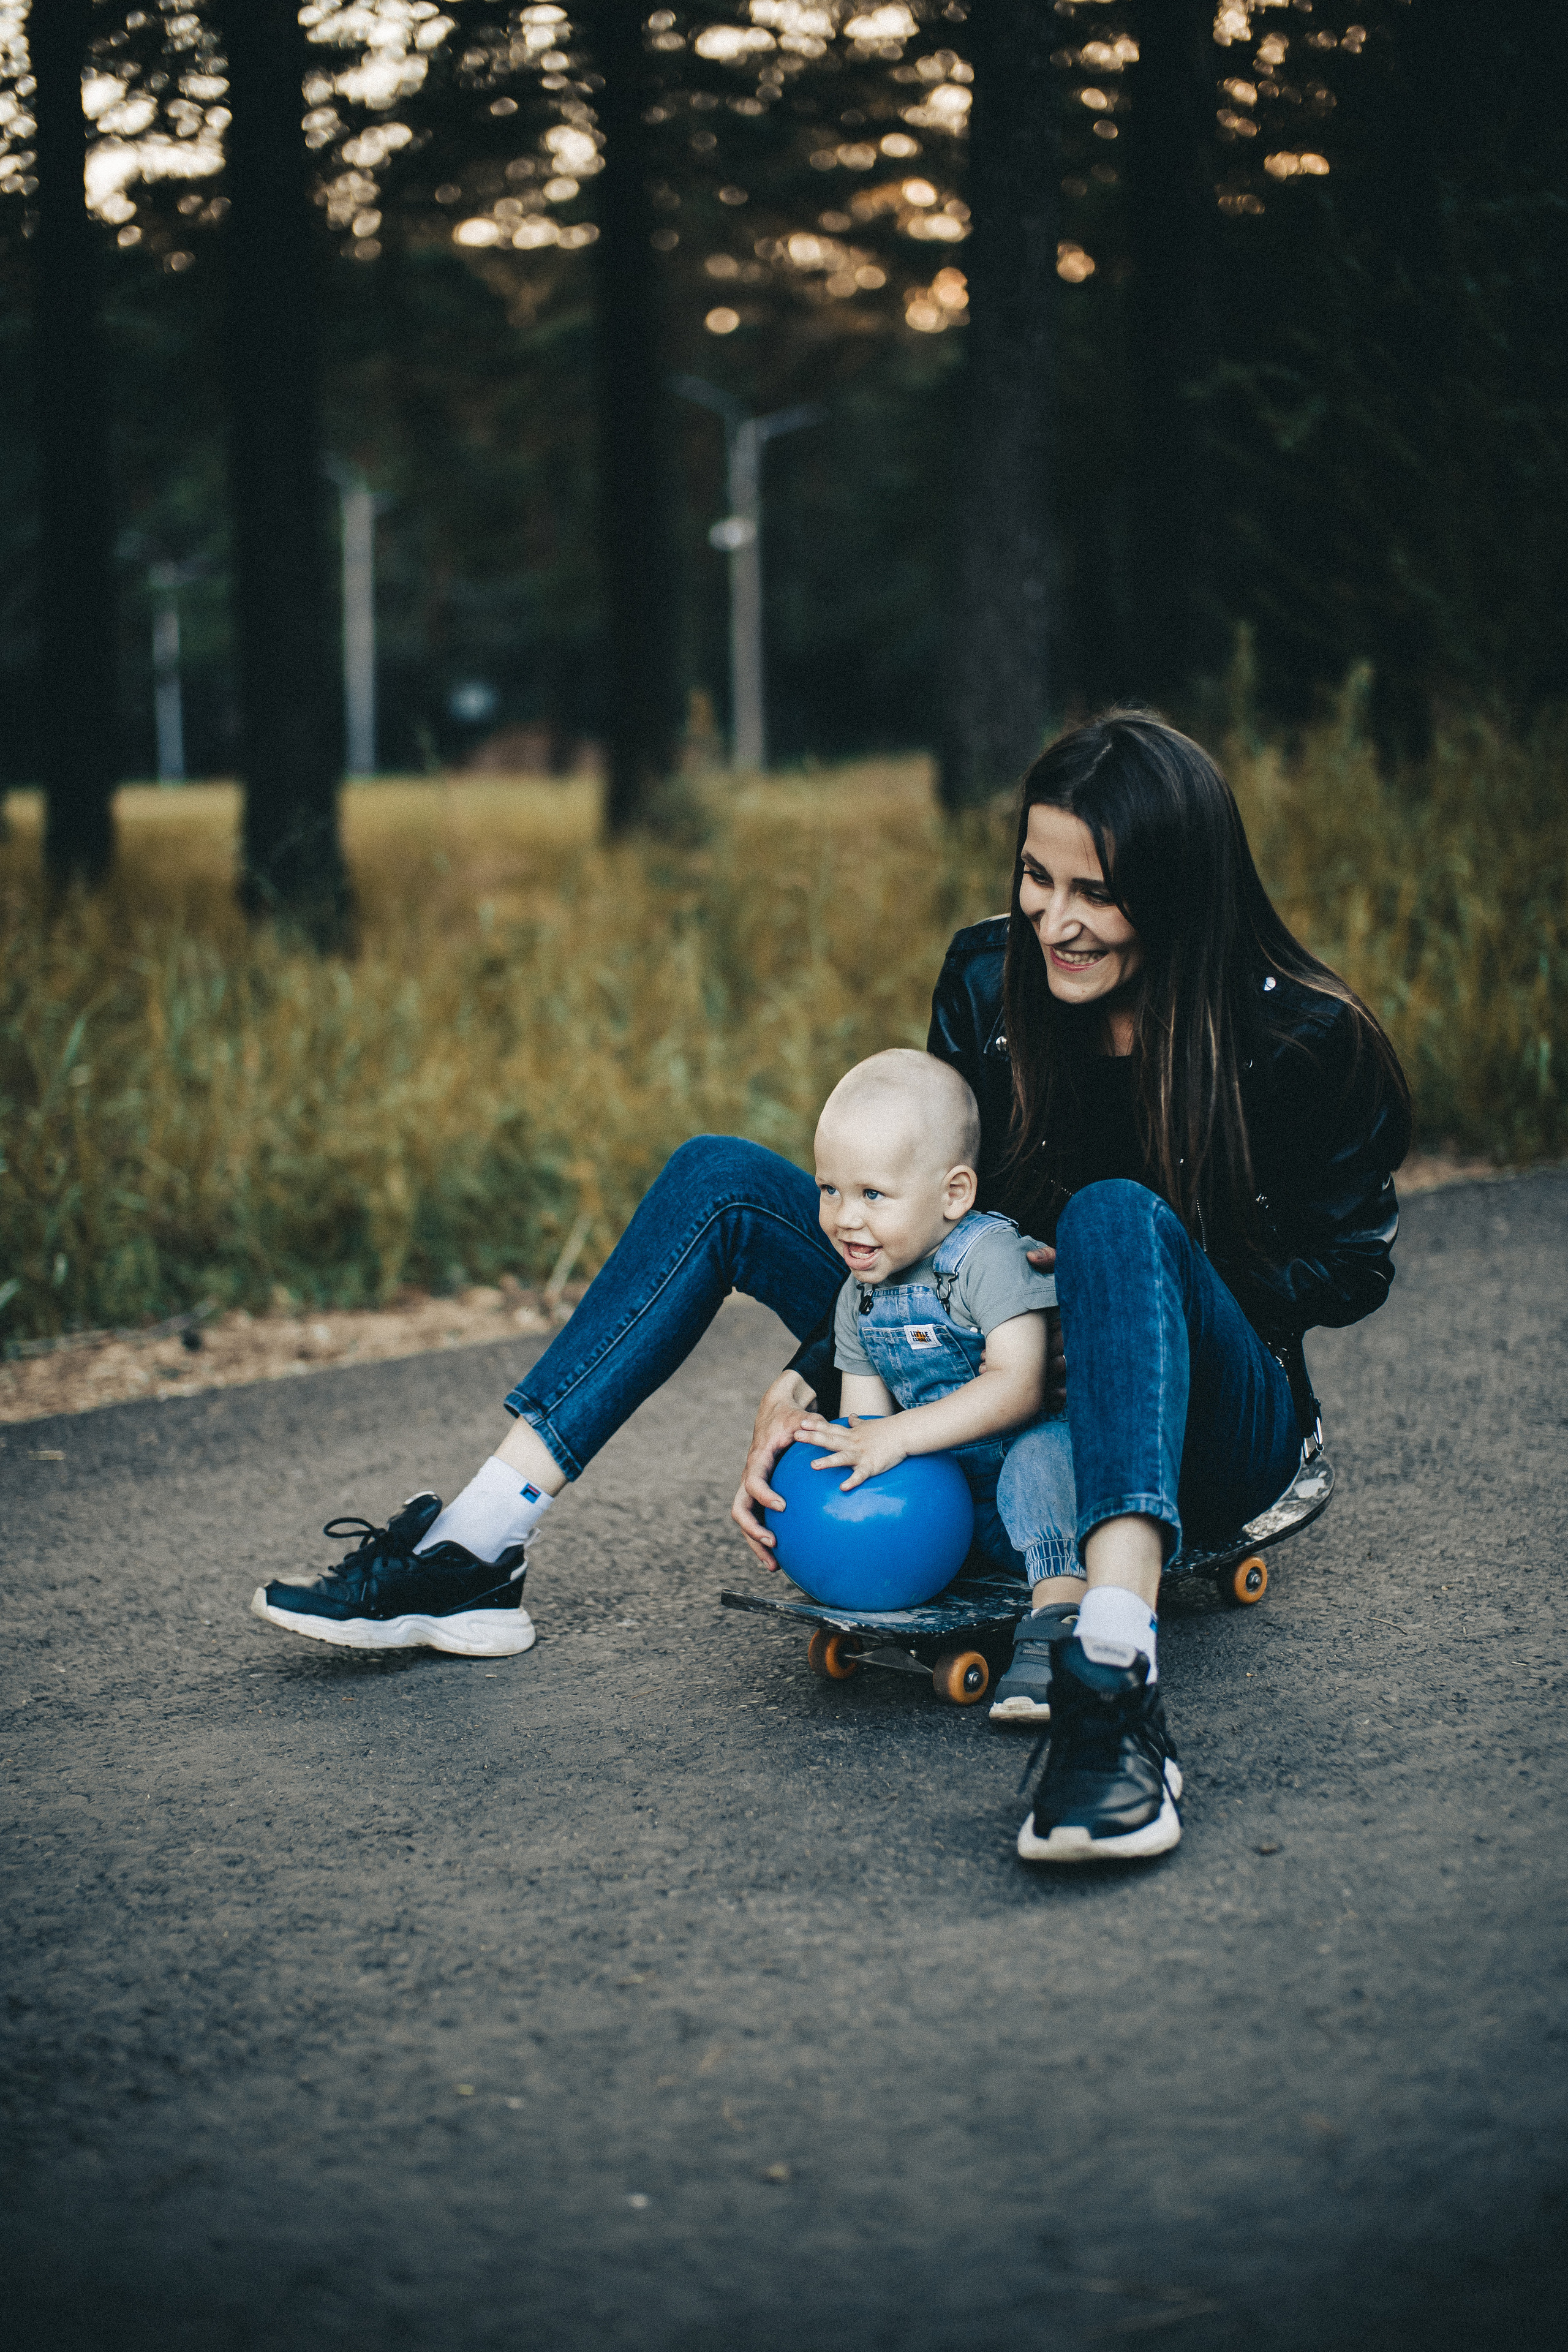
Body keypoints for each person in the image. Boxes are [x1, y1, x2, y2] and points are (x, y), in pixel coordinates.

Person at [252, 712, 1408, 1874]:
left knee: (1112, 1215)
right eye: (1037, 875)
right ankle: (475, 1548)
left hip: (1212, 1416)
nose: (1056, 921)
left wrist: (1126, 1302)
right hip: (981, 1348)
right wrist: (810, 1370)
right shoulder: (988, 979)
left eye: (1098, 894)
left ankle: (1109, 1687)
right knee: (722, 1180)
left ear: (1178, 890)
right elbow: (926, 1210)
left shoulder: (1300, 1038)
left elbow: (1349, 1267)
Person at [798, 1047, 1077, 1593]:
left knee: (1041, 1457)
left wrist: (898, 1436)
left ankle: (1059, 1599)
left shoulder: (991, 1259)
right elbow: (867, 1426)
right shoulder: (859, 1297)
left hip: (1046, 1490)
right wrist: (846, 1459)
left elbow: (1018, 1387)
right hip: (945, 1502)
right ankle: (883, 1575)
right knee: (848, 1463)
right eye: (829, 1189)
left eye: (872, 1194)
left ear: (954, 1194)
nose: (845, 1218)